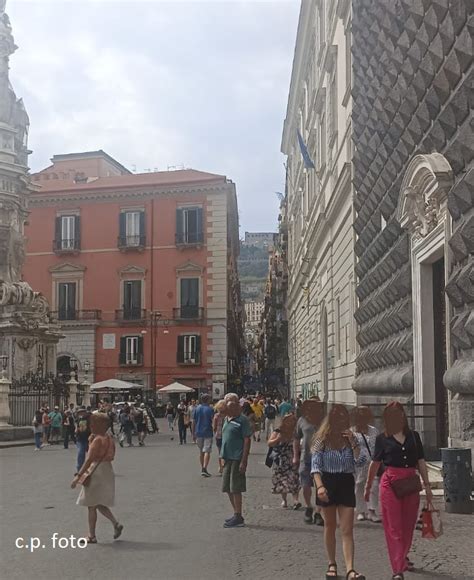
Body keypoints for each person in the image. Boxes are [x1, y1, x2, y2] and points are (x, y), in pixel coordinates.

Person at [364, 402, 432, 580]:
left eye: (399, 413)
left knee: (408, 526)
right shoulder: (382, 438)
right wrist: (368, 486)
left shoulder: (414, 436)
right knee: (394, 527)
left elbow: (421, 461)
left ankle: (402, 556)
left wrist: (427, 485)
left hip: (410, 483)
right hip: (390, 484)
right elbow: (375, 463)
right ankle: (397, 569)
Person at [311, 404, 366, 580]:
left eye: (345, 419)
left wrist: (354, 442)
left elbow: (361, 462)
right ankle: (332, 564)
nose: (343, 422)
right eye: (339, 419)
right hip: (327, 481)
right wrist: (320, 486)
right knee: (330, 526)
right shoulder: (322, 440)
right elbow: (315, 467)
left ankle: (350, 569)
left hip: (345, 482)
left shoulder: (351, 438)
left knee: (347, 529)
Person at [71, 412, 123, 544]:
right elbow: (112, 455)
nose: (91, 425)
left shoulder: (97, 440)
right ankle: (115, 523)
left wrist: (78, 476)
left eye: (93, 423)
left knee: (91, 505)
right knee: (99, 502)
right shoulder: (109, 438)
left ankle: (91, 536)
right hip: (107, 469)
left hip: (96, 470)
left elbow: (89, 459)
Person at [293, 398, 325, 525]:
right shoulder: (301, 420)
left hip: (322, 459)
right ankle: (308, 507)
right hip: (306, 458)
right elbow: (296, 438)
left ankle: (318, 512)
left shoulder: (324, 421)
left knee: (320, 486)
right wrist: (295, 456)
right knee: (306, 485)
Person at [221, 399, 252, 528]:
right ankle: (236, 513)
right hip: (227, 457)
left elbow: (247, 440)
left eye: (230, 408)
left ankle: (238, 516)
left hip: (237, 458)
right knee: (227, 488)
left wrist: (244, 460)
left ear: (235, 408)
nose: (228, 411)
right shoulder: (226, 419)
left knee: (236, 488)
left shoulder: (242, 420)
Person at [351, 406, 380, 522]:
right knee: (359, 485)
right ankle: (361, 510)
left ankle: (372, 510)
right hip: (358, 463)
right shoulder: (352, 431)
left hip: (373, 462)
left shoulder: (374, 430)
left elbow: (378, 446)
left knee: (374, 485)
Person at [268, 414, 301, 509]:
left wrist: (296, 456)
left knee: (294, 479)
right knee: (282, 481)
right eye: (290, 421)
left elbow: (297, 445)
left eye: (294, 421)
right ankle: (284, 500)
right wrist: (278, 439)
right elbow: (269, 443)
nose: (292, 422)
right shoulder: (278, 431)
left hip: (291, 459)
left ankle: (296, 501)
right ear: (285, 421)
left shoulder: (295, 432)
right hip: (280, 459)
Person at [193, 393, 214, 477]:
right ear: (208, 400)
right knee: (207, 451)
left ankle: (203, 468)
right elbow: (213, 421)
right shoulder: (210, 409)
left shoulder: (197, 409)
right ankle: (204, 468)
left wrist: (193, 433)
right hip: (208, 432)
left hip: (198, 432)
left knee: (201, 451)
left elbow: (194, 421)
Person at [75, 406, 91, 474]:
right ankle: (79, 471)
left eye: (82, 412)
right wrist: (76, 429)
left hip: (89, 438)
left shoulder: (90, 418)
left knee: (92, 455)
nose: (81, 413)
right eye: (79, 412)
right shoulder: (78, 419)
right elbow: (77, 425)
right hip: (80, 439)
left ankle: (93, 469)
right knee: (80, 454)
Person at [213, 400, 226, 475]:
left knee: (220, 452)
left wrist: (215, 431)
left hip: (218, 435)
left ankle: (221, 467)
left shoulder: (216, 416)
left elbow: (214, 427)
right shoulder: (227, 415)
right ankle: (224, 465)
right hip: (227, 435)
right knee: (226, 451)